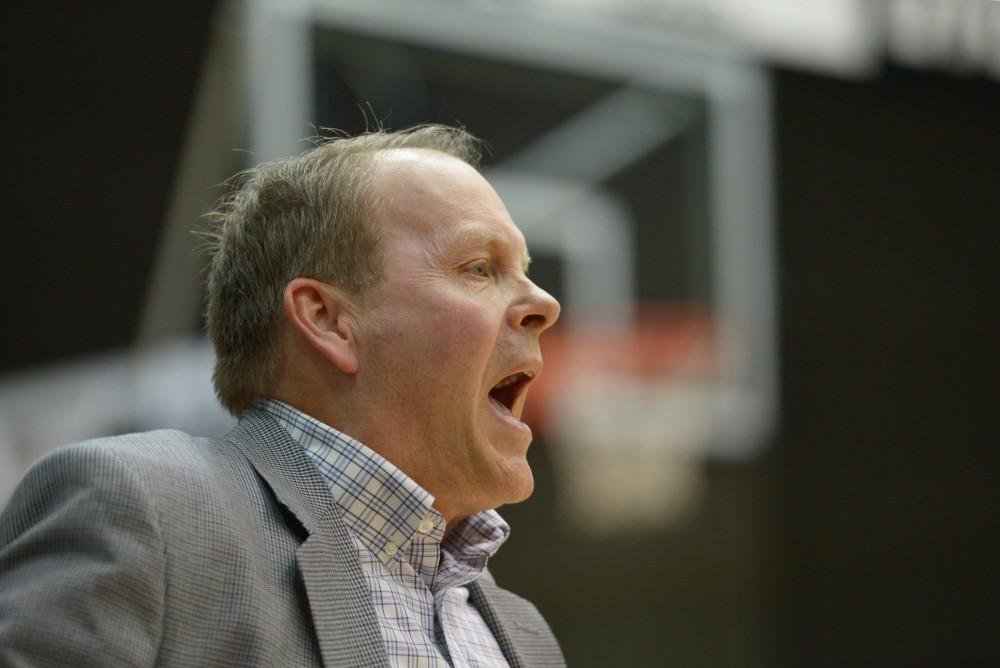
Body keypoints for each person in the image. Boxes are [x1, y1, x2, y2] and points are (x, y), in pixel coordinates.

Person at [0, 125, 565, 667]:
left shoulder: (524, 635)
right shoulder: (145, 509)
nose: (544, 302)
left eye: (524, 271)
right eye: (479, 268)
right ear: (329, 321)